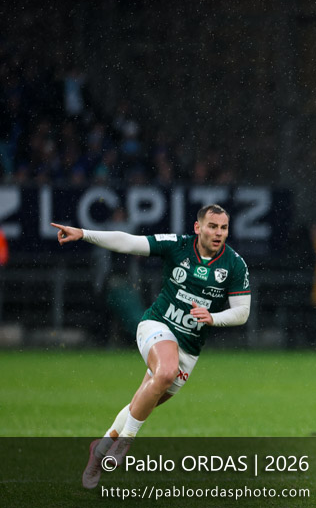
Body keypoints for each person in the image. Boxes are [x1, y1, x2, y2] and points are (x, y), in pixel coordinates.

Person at [51, 204, 252, 489]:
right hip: (157, 326)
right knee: (165, 372)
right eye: (212, 226)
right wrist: (83, 233)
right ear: (198, 228)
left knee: (145, 399)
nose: (218, 233)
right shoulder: (178, 246)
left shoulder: (234, 264)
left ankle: (98, 451)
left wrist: (213, 318)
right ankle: (126, 443)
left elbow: (242, 312)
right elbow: (128, 242)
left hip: (190, 349)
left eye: (223, 228)